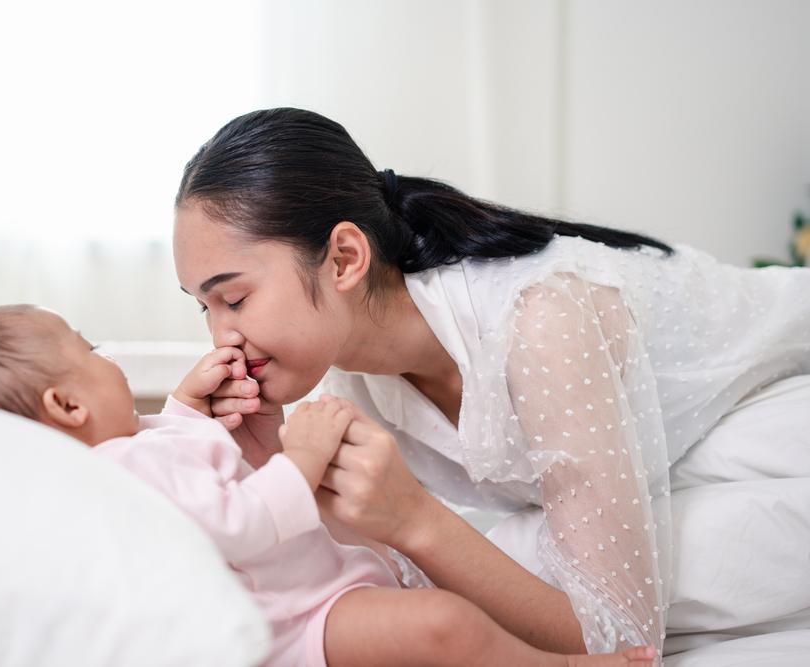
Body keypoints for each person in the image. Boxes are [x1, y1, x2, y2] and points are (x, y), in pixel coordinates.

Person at [171, 107, 810, 658]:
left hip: (777, 379)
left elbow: (620, 642)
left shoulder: (539, 321)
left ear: (344, 258)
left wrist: (416, 518)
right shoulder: (347, 385)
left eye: (233, 298)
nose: (220, 337)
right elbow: (395, 590)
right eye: (205, 308)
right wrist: (268, 463)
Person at [0, 305, 656, 667]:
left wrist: (185, 402)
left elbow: (179, 458)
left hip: (315, 596)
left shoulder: (131, 451)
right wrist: (297, 455)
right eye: (92, 350)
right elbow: (234, 520)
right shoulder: (116, 474)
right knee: (443, 628)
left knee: (438, 622)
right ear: (68, 406)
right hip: (296, 628)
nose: (109, 362)